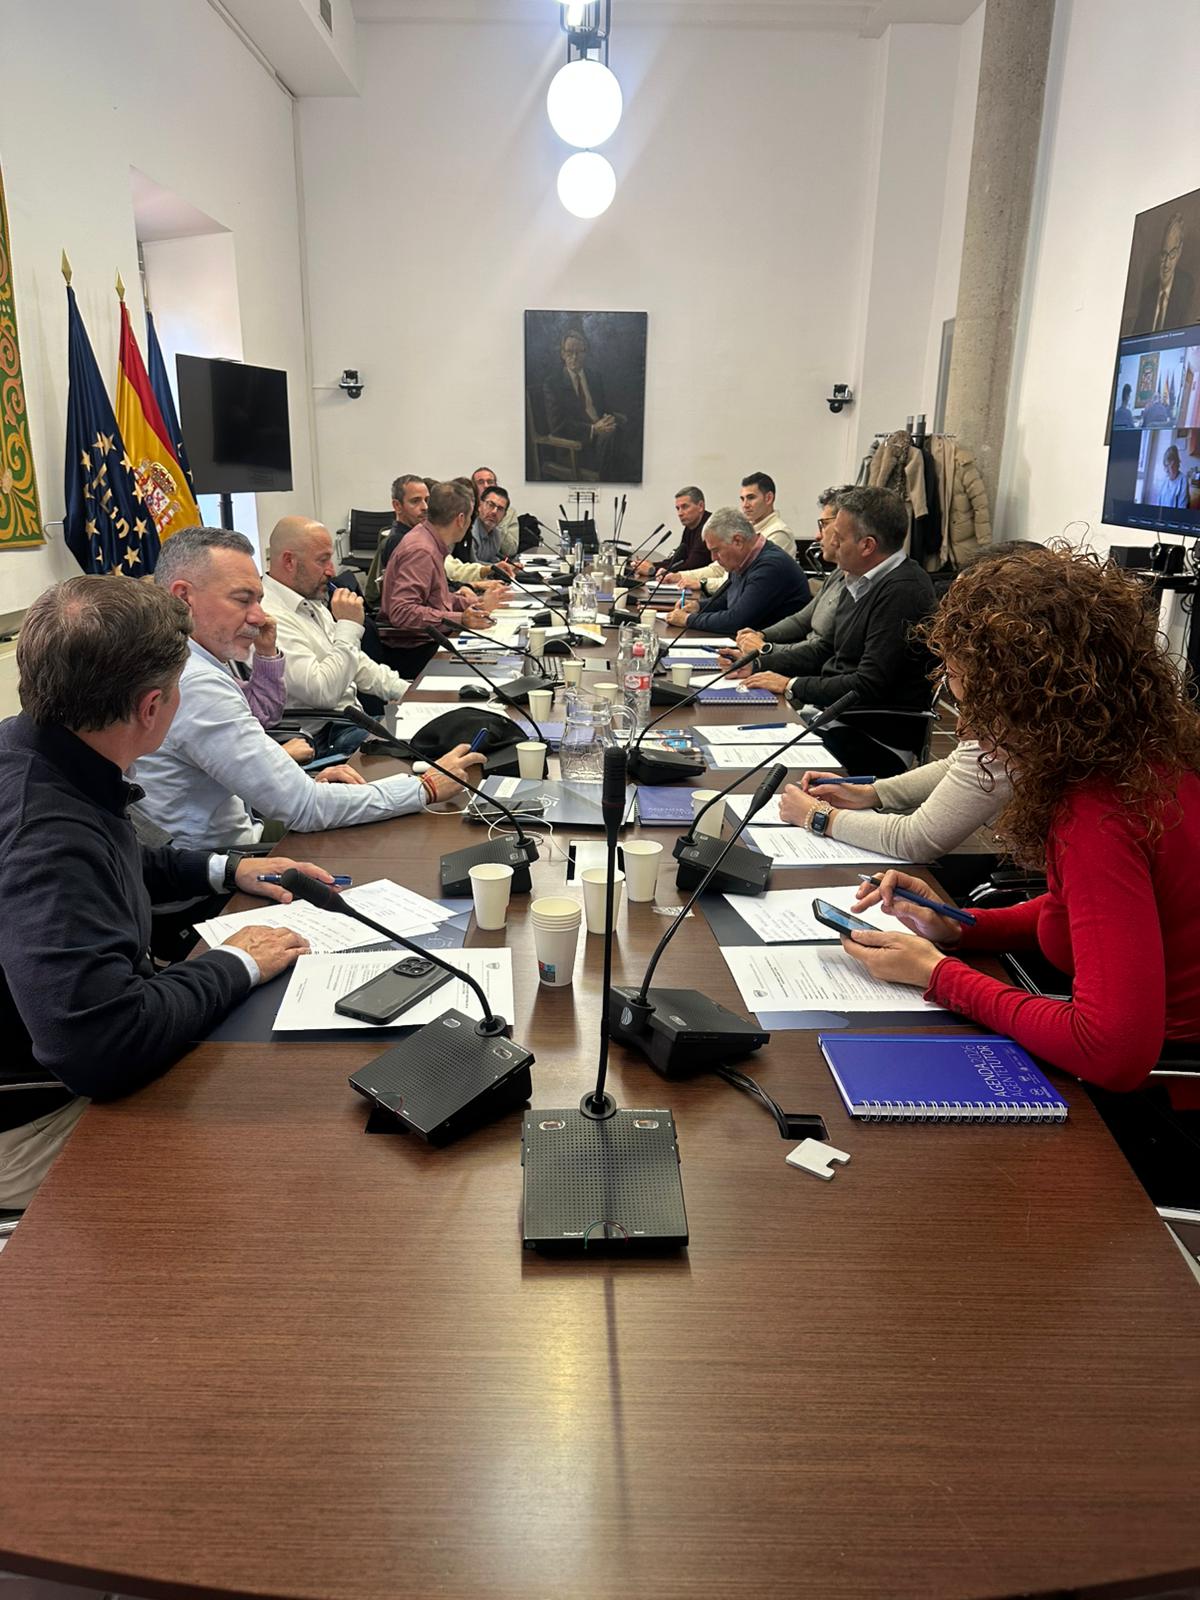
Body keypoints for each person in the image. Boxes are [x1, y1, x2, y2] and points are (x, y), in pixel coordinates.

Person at [0, 575, 336, 1209]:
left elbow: (114, 857)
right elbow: (102, 1047)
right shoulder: (44, 837)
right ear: (152, 707)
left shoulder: (36, 750)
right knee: (282, 1153)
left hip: (65, 1052)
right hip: (32, 1120)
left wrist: (225, 870)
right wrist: (236, 961)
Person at [841, 545, 1200, 1105]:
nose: (965, 728)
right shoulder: (1147, 756)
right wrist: (962, 927)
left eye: (974, 705)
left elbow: (1112, 1051)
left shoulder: (1097, 815)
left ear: (1031, 703)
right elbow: (1092, 911)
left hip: (1162, 1090)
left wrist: (939, 976)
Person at [133, 526, 485, 849]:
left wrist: (300, 779)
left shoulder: (182, 661)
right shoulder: (196, 683)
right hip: (222, 865)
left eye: (258, 599)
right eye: (242, 600)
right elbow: (304, 808)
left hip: (245, 830)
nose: (259, 616)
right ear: (184, 598)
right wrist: (425, 788)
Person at [741, 485, 934, 710]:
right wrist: (757, 663)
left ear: (867, 546)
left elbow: (868, 685)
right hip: (833, 710)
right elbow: (825, 650)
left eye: (839, 538)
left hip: (866, 723)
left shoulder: (903, 592)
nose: (831, 543)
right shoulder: (859, 578)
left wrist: (791, 685)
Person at [262, 516, 411, 714]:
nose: (331, 571)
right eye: (322, 560)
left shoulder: (308, 600)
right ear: (289, 561)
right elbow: (322, 693)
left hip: (354, 719)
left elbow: (356, 663)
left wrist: (408, 692)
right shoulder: (269, 617)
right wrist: (348, 625)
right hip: (329, 728)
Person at [378, 480, 499, 677]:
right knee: (494, 669)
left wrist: (475, 603)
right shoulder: (421, 550)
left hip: (429, 642)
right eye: (471, 517)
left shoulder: (429, 541)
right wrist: (461, 619)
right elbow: (402, 611)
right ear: (461, 519)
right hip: (415, 652)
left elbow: (433, 598)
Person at [724, 486, 848, 667]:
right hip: (795, 662)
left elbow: (821, 651)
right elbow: (801, 620)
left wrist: (765, 650)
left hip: (806, 670)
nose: (817, 535)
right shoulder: (839, 574)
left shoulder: (773, 556)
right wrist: (762, 635)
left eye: (823, 525)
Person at [662, 506, 810, 636]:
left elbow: (736, 621)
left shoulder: (770, 567)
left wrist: (688, 619)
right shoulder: (743, 560)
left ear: (738, 541)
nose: (713, 558)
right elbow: (727, 599)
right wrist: (698, 606)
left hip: (776, 650)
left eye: (716, 550)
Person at [676, 472, 796, 594]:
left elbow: (744, 581)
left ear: (768, 498)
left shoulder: (779, 533)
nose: (745, 505)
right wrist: (680, 576)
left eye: (751, 498)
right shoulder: (746, 529)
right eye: (742, 499)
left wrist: (703, 584)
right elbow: (718, 569)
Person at [542, 328, 625, 478]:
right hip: (574, 448)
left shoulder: (594, 377)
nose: (574, 357)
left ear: (585, 353)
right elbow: (558, 426)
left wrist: (609, 418)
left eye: (579, 352)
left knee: (624, 425)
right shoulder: (553, 384)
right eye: (569, 352)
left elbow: (605, 408)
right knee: (611, 437)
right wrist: (593, 429)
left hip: (601, 436)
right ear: (562, 354)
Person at [366, 473, 429, 607]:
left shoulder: (416, 536)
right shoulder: (400, 542)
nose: (425, 507)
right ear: (397, 506)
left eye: (426, 500)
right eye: (415, 501)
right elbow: (412, 601)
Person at [636, 486, 710, 578]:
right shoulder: (690, 527)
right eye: (678, 508)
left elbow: (691, 566)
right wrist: (651, 565)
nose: (680, 513)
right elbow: (676, 560)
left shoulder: (709, 528)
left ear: (700, 506)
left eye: (685, 507)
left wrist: (653, 570)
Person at [464, 484, 519, 572]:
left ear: (504, 515)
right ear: (479, 506)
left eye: (500, 509)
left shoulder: (497, 534)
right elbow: (473, 564)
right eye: (490, 505)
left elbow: (492, 560)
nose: (494, 512)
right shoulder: (470, 531)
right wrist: (501, 567)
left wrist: (509, 566)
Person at [1157, 444, 1189, 509]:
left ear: (1177, 464)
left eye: (1171, 466)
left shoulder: (1183, 480)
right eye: (1166, 466)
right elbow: (1158, 502)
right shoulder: (1164, 480)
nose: (1167, 470)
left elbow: (1182, 507)